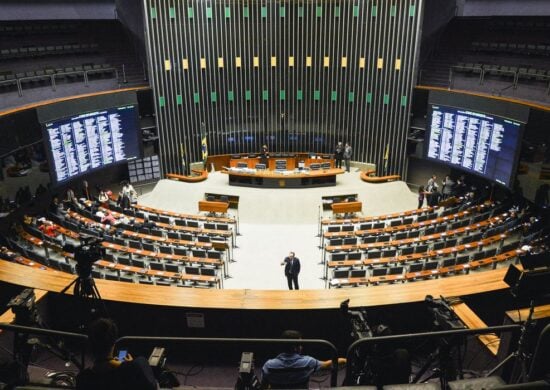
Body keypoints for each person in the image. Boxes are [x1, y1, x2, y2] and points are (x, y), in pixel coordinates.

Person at [76, 318, 157, 390]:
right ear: (114, 342)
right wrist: (130, 365)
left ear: (89, 344)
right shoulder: (132, 369)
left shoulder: (82, 379)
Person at [261, 330, 346, 389]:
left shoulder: (268, 365)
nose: (302, 347)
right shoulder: (307, 362)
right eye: (300, 344)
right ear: (295, 348)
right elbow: (328, 364)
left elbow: (263, 386)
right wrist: (346, 360)